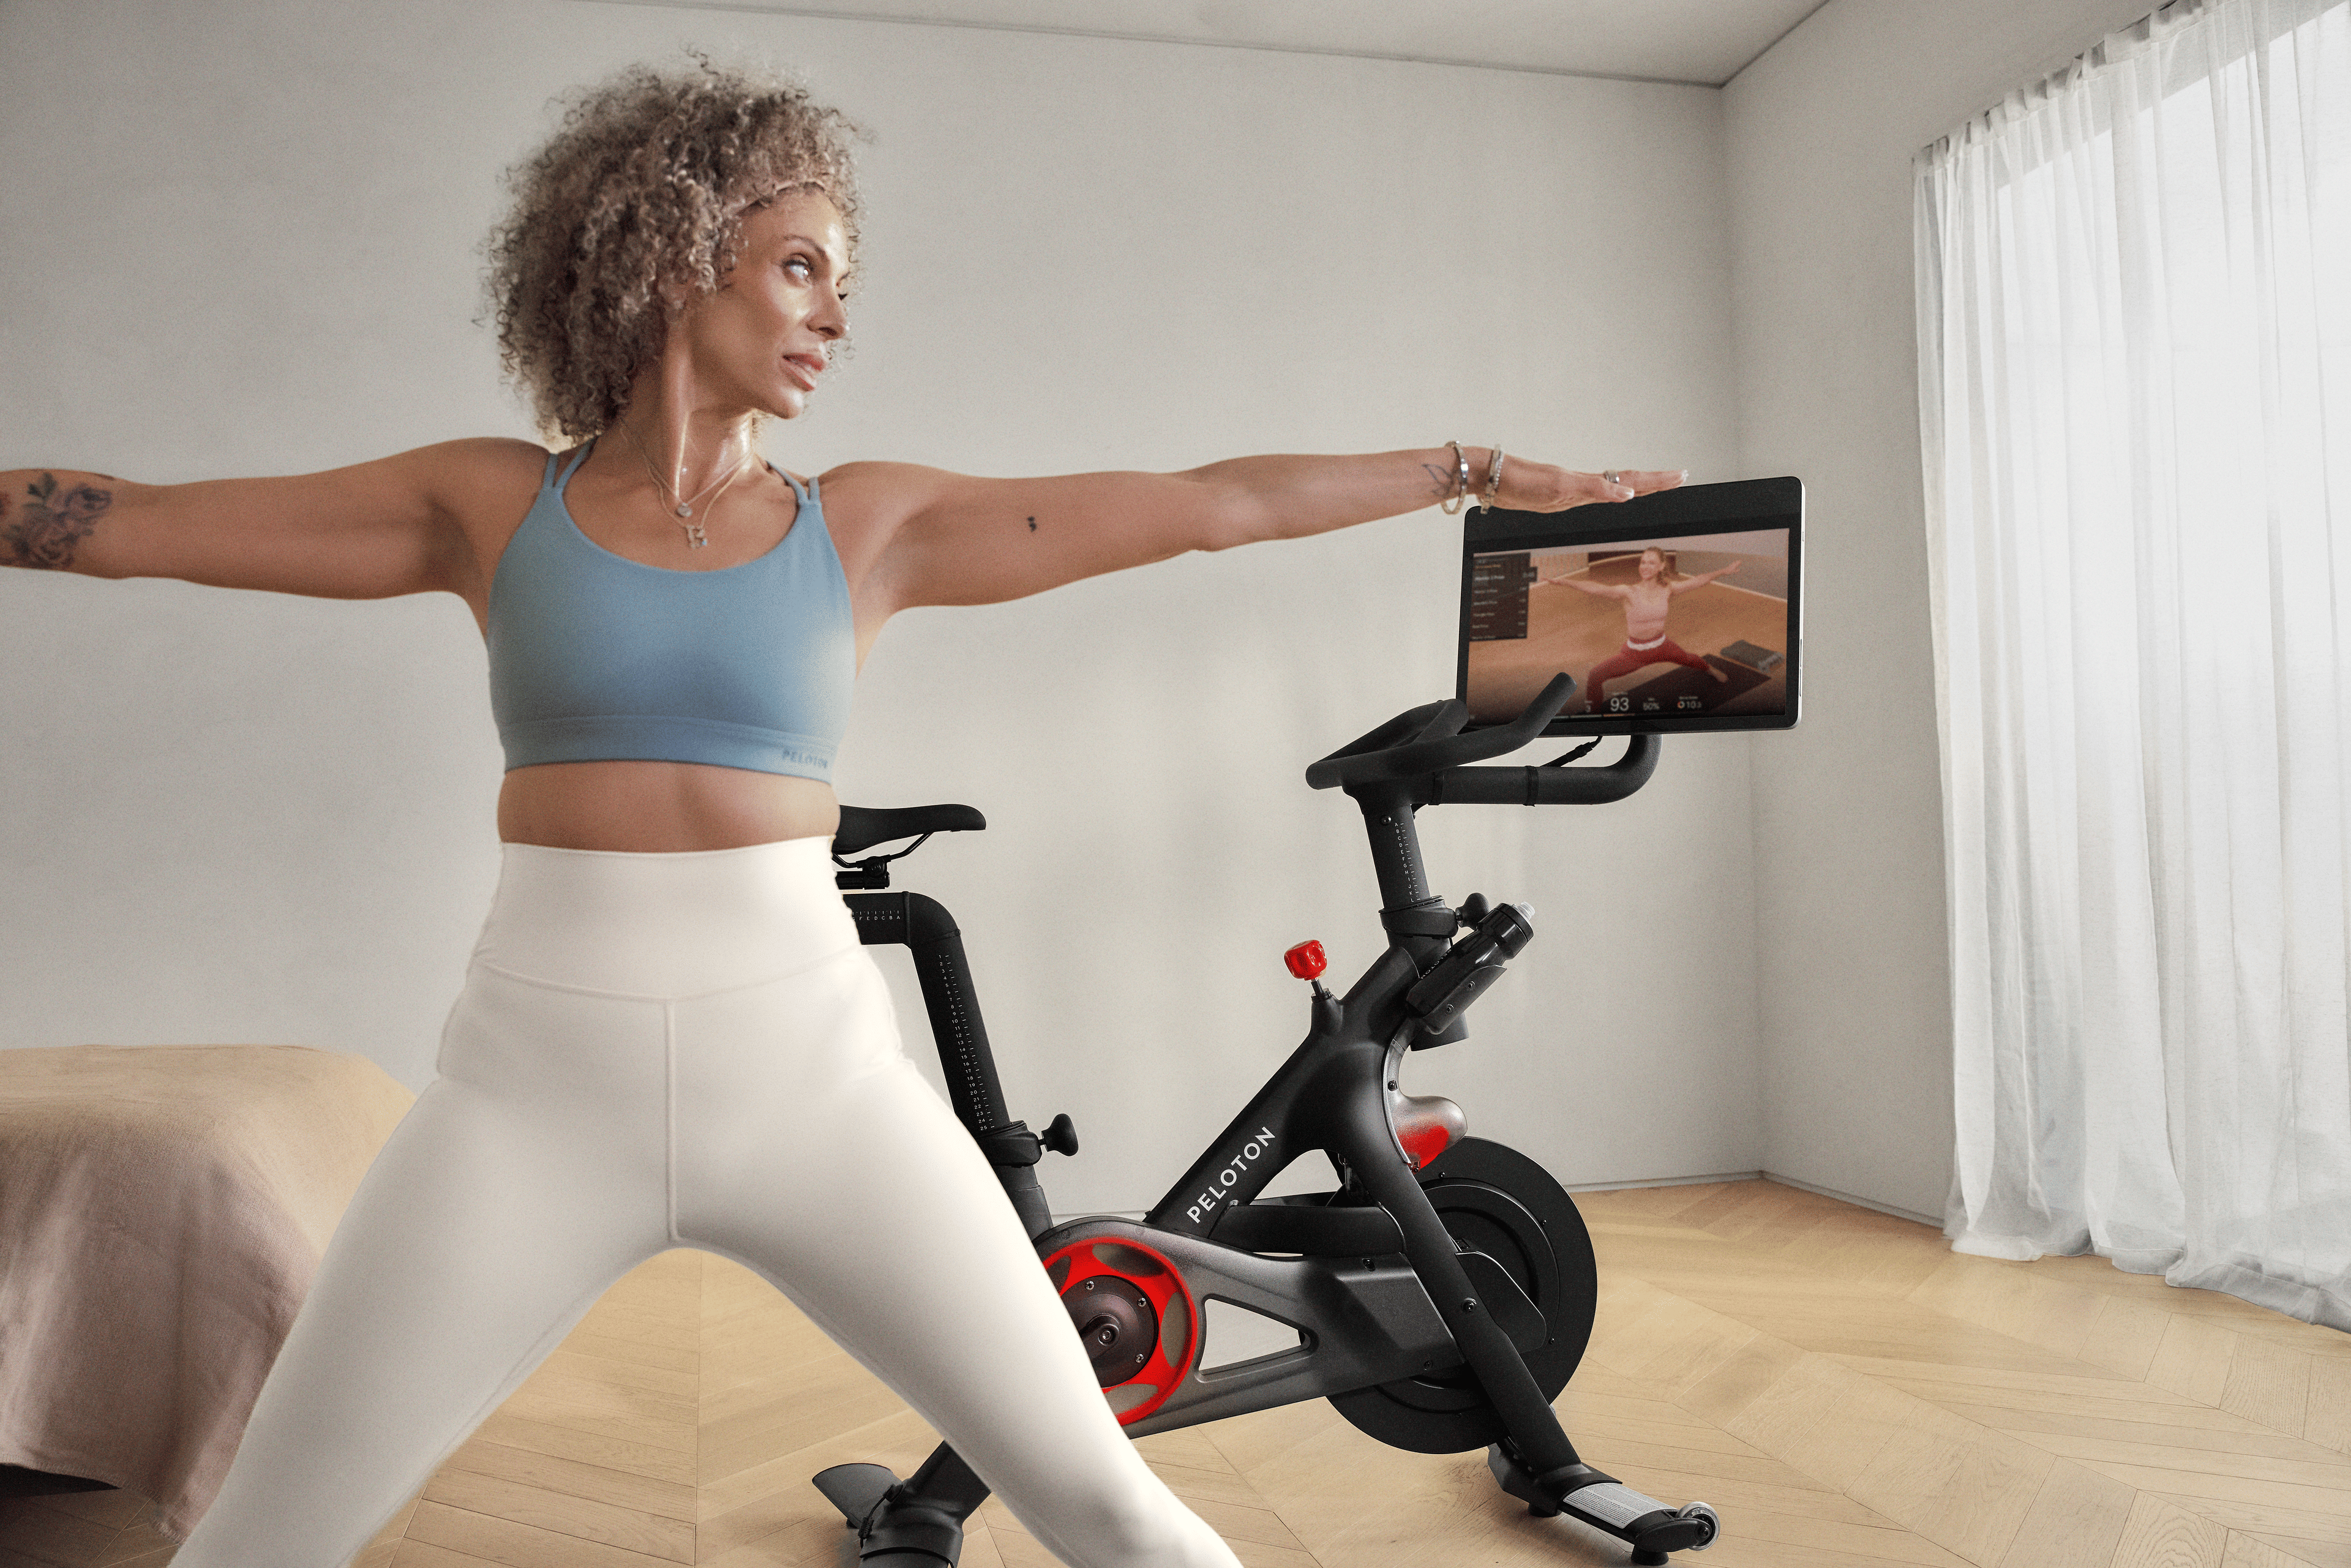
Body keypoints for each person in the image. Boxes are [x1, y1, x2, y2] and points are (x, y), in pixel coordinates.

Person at [1, 61, 1681, 1568]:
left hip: (812, 1082)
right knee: (263, 1537)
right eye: (802, 266)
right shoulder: (488, 504)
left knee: (1109, 1509)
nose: (833, 319)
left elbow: (1209, 504)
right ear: (673, 250)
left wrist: (1471, 469)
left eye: (843, 285)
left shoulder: (865, 526)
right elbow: (131, 521)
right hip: (526, 1097)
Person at [1543, 544, 1735, 712]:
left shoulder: (1668, 589)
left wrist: (1724, 571)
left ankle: (1710, 669)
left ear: (1661, 566)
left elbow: (1698, 581)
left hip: (1663, 646)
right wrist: (1563, 582)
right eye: (1643, 562)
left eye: (1651, 563)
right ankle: (1594, 715)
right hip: (1634, 654)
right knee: (1595, 676)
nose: (1645, 567)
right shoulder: (1629, 592)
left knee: (1690, 659)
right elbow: (1596, 588)